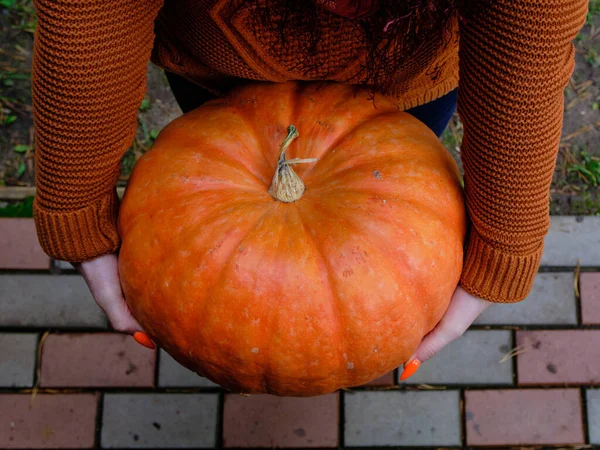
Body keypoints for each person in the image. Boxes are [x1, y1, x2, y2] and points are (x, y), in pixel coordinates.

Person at [31, 0, 588, 380]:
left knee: (399, 156)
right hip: (220, 58)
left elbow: (528, 23)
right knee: (226, 141)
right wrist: (75, 200)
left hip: (409, 68)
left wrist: (505, 239)